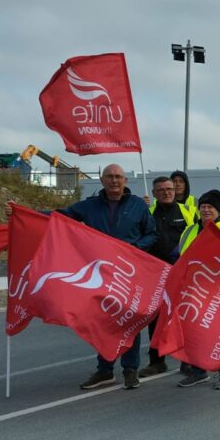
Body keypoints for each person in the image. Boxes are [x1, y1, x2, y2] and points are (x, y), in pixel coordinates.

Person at [58, 164, 157, 390]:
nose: (114, 180)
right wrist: (23, 213)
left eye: (119, 177)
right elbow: (59, 217)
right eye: (110, 177)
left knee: (130, 320)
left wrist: (133, 248)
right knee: (104, 322)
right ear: (102, 181)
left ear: (125, 181)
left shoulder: (138, 206)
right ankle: (105, 370)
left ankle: (130, 370)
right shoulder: (90, 206)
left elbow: (151, 234)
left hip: (128, 273)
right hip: (100, 274)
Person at [173, 191, 220, 389]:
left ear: (217, 211)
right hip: (194, 290)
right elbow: (180, 259)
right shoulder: (188, 231)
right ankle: (198, 371)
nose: (205, 209)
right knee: (193, 332)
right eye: (202, 206)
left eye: (210, 207)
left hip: (219, 292)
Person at [138, 176, 192, 377]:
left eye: (169, 189)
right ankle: (157, 361)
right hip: (156, 275)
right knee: (156, 318)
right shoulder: (148, 213)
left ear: (175, 191)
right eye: (160, 190)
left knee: (183, 317)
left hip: (181, 273)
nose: (166, 192)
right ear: (153, 193)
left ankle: (187, 360)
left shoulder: (188, 212)